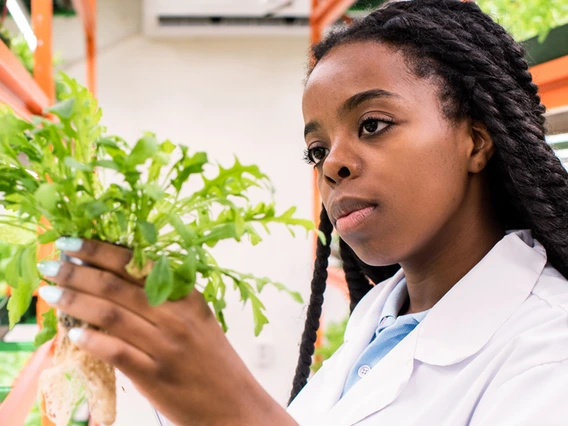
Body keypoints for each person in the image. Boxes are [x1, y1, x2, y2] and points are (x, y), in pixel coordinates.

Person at [37, 0, 568, 424]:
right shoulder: (383, 315)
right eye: (316, 151)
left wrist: (228, 411)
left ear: (476, 141)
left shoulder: (550, 351)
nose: (332, 163)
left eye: (373, 124)